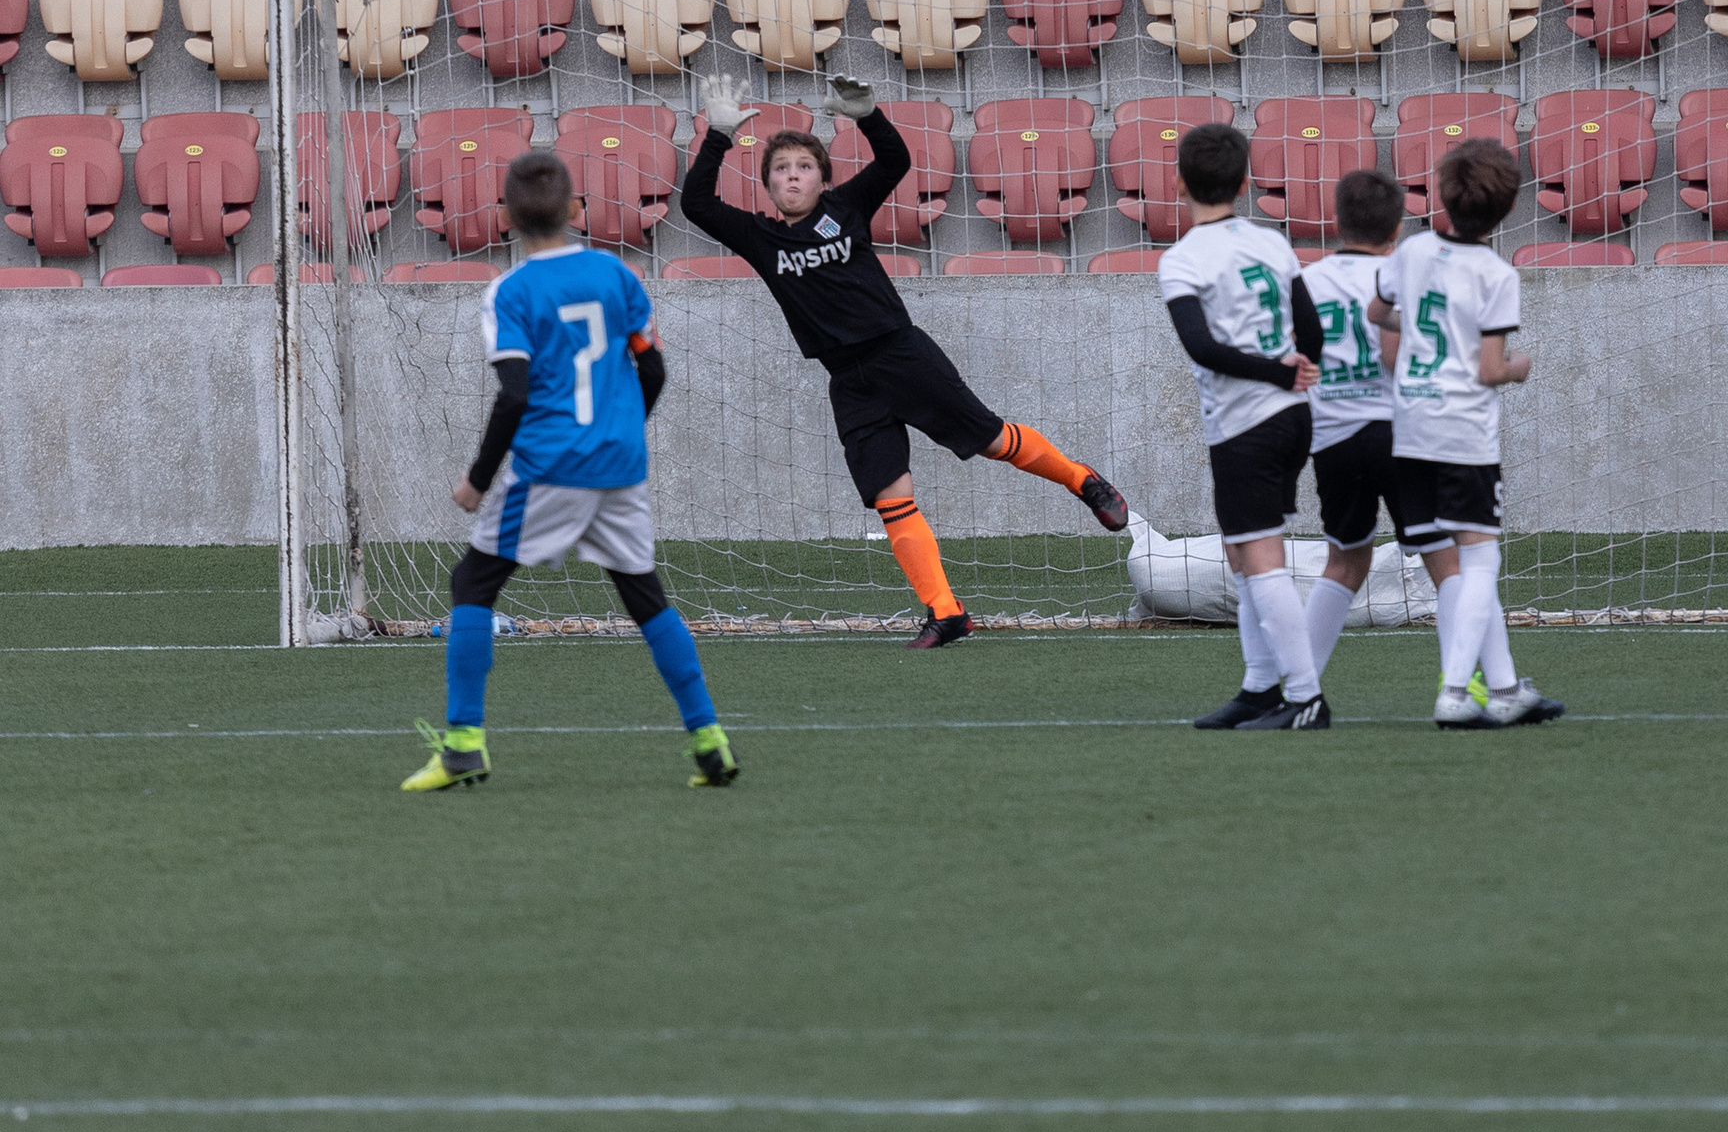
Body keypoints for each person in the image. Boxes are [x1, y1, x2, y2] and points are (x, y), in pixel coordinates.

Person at [679, 71, 1126, 648]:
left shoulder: (846, 209)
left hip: (901, 355)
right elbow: (694, 203)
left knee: (993, 441)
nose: (793, 176)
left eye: (804, 167)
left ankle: (1083, 481)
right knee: (892, 497)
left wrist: (866, 116)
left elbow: (894, 161)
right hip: (849, 381)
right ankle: (947, 613)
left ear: (822, 179)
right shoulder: (760, 237)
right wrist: (717, 134)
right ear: (766, 185)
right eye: (781, 169)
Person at [401, 146, 738, 793]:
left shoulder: (509, 292)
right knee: (646, 599)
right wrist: (619, 431)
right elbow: (654, 369)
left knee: (473, 583)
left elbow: (518, 394)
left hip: (551, 466)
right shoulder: (618, 276)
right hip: (619, 463)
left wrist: (476, 480)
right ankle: (709, 740)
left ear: (505, 218)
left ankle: (464, 744)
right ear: (576, 210)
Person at [1375, 138, 1562, 733]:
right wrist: (1518, 367)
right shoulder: (1496, 274)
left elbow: (1378, 316)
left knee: (1450, 560)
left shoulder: (1413, 250)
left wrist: (1427, 331)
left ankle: (1505, 688)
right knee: (1481, 557)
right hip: (1464, 434)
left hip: (1410, 428)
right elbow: (1488, 369)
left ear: (1439, 194)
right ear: (1508, 211)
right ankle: (1456, 693)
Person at [1156, 122, 1329, 734]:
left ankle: (1305, 696)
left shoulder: (1181, 260)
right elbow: (1309, 326)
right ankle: (1259, 688)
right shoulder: (1272, 242)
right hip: (1290, 418)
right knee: (1244, 550)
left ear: (1178, 182)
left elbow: (1201, 348)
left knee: (1259, 556)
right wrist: (1297, 369)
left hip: (1246, 424)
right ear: (1247, 183)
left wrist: (1274, 375)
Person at [1293, 165, 1407, 694]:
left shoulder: (1307, 280)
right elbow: (1393, 355)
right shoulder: (1401, 275)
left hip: (1334, 434)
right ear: (1398, 227)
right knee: (1449, 559)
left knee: (1345, 560)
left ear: (1337, 221)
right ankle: (1477, 683)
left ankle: (1300, 685)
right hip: (1398, 431)